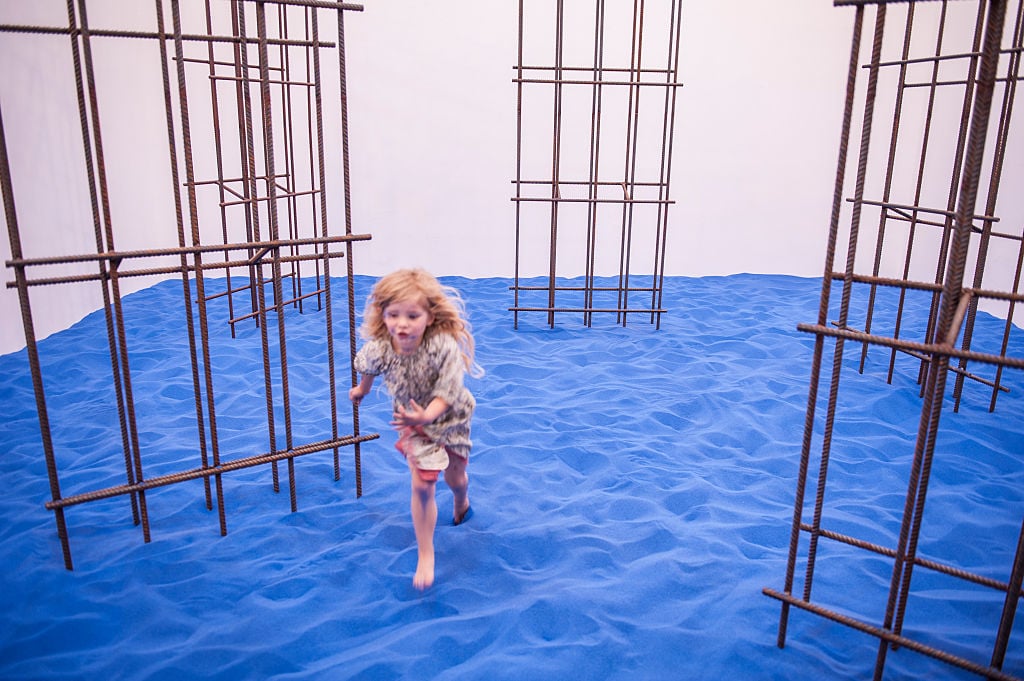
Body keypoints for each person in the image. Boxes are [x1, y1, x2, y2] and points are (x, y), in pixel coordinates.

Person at [348, 268, 482, 590]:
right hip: (412, 423)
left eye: (412, 315)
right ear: (383, 314)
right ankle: (426, 552)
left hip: (450, 419)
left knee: (455, 476)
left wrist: (428, 416)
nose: (402, 324)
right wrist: (362, 391)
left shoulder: (443, 347)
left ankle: (461, 498)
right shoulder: (381, 347)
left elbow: (448, 392)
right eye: (393, 315)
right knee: (422, 484)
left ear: (430, 316)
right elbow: (369, 367)